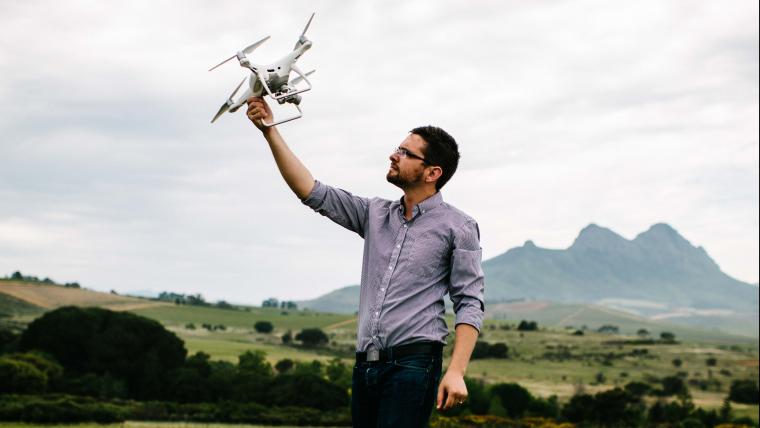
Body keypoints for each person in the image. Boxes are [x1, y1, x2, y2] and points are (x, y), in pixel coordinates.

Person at [246, 97, 485, 427]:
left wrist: (456, 371)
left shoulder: (458, 227)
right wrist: (269, 131)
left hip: (414, 366)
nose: (393, 155)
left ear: (432, 172)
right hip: (366, 367)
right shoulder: (374, 214)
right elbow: (311, 191)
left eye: (405, 152)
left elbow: (470, 302)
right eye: (397, 148)